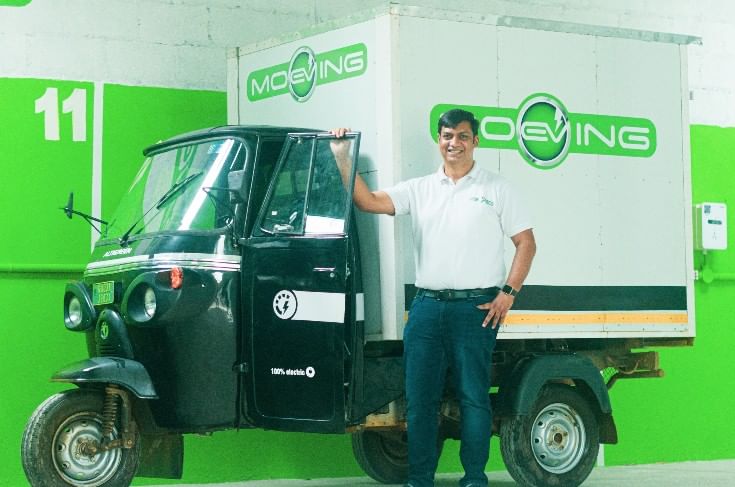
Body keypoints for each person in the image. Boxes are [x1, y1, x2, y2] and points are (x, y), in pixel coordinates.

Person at [330, 108, 536, 487]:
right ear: (439, 140)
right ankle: (420, 479)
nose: (454, 143)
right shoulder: (420, 189)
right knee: (420, 400)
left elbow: (526, 243)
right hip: (426, 309)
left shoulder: (496, 188)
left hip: (475, 309)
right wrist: (343, 156)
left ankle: (474, 478)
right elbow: (367, 201)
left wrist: (508, 293)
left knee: (473, 397)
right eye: (447, 136)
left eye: (462, 136)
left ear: (475, 141)